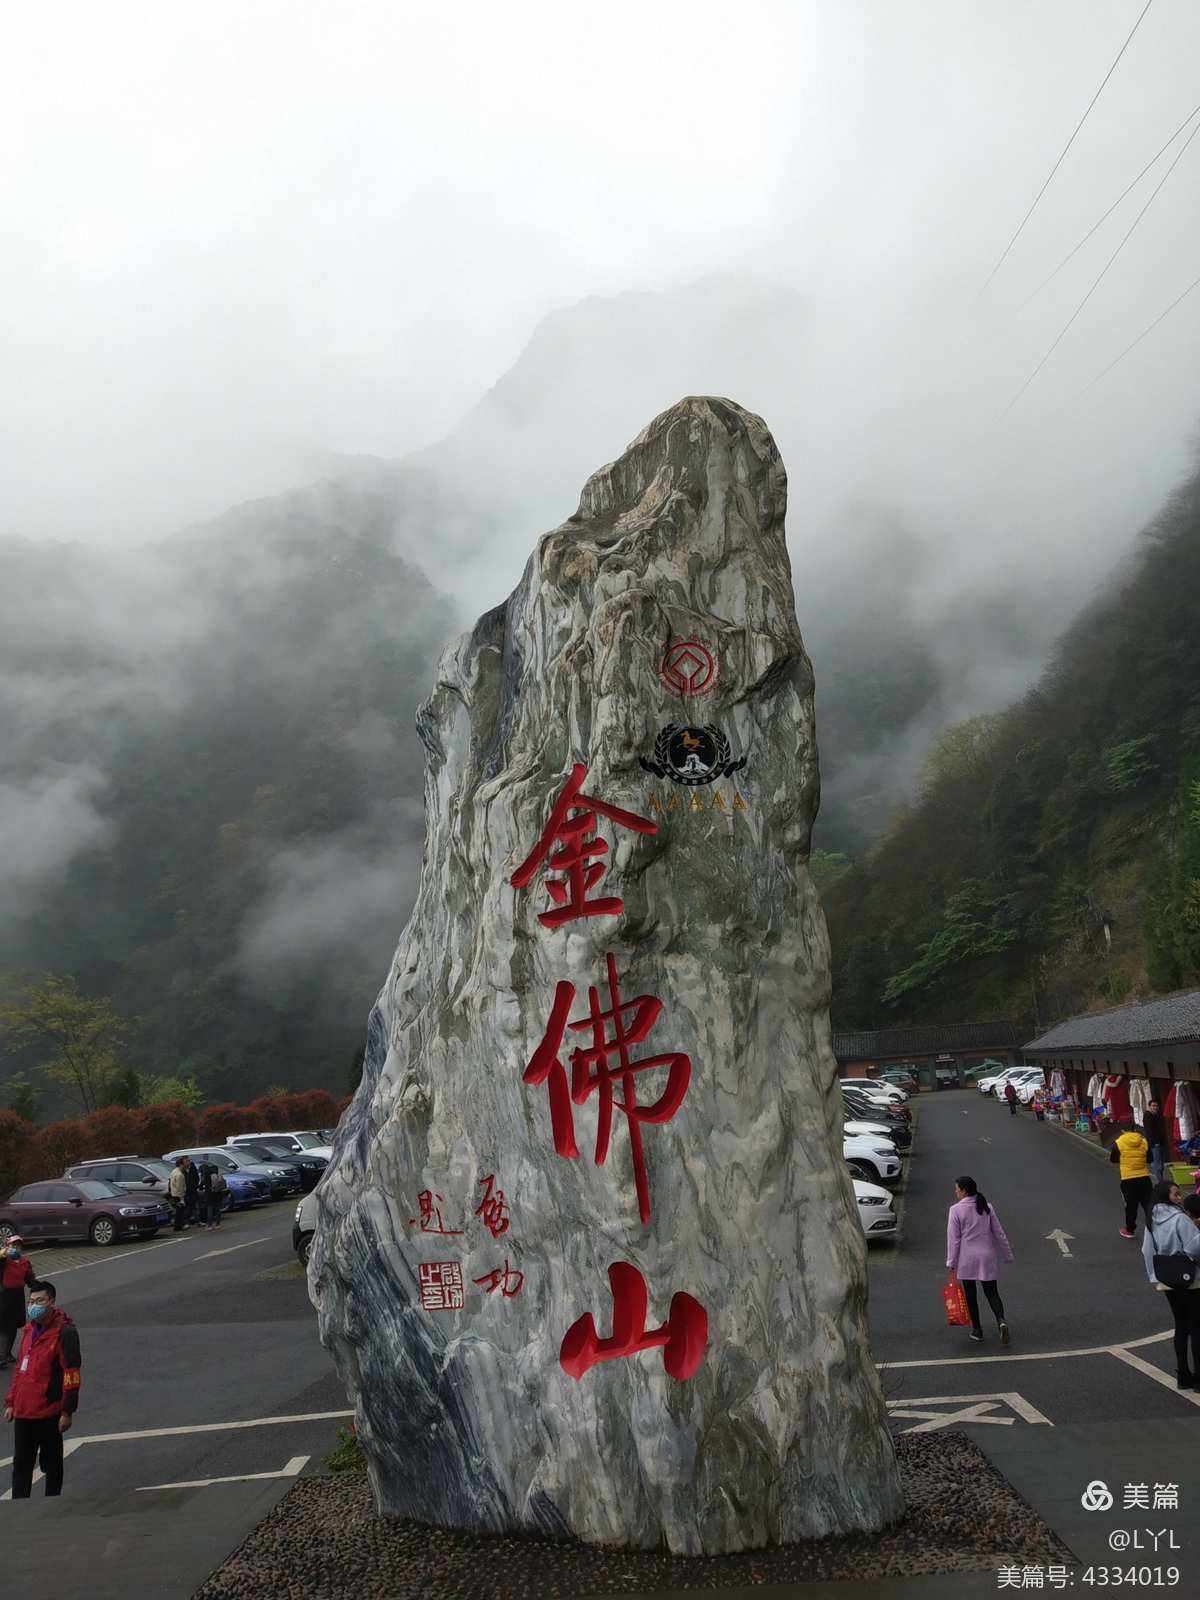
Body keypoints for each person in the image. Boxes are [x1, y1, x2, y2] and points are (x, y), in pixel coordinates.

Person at [4, 1279, 82, 1497]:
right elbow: (20, 1368)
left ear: (52, 1302)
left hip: (49, 1412)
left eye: (39, 1300)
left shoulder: (64, 1333)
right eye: (31, 1301)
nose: (33, 1305)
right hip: (24, 1412)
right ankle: (19, 1508)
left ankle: (51, 1506)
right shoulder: (29, 1331)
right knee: (21, 1466)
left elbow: (71, 1375)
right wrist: (11, 1402)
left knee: (52, 1465)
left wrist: (67, 1411)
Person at [1142, 1185, 1200, 1389]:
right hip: (1191, 1279)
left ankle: (1183, 1374)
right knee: (1197, 1326)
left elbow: (1146, 1250)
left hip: (1167, 1278)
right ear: (1166, 1197)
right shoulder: (1180, 1218)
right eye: (1176, 1194)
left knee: (1181, 1326)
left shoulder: (1152, 1219)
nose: (1179, 1197)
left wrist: (1154, 1276)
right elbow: (1194, 1246)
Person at [947, 1175, 1014, 1344]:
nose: (955, 1192)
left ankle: (977, 1330)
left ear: (963, 1191)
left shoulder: (955, 1210)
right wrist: (1007, 1254)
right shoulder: (986, 1206)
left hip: (967, 1258)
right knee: (992, 1293)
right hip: (987, 1256)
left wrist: (951, 1262)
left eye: (957, 1189)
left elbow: (953, 1239)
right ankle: (1001, 1320)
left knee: (971, 1294)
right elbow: (999, 1233)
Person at [1110, 1120, 1153, 1238]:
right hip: (1144, 1177)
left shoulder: (1118, 1143)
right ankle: (1155, 1227)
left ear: (1123, 1130)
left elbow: (1113, 1159)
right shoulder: (1144, 1141)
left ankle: (1130, 1230)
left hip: (1128, 1178)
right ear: (1134, 1129)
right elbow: (1150, 1159)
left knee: (1130, 1206)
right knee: (1148, 1204)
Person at [1, 1236, 36, 1368]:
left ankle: (7, 1353)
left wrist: (40, 1287)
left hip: (18, 1296)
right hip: (4, 1296)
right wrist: (4, 1253)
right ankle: (1, 1356)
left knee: (14, 1326)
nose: (15, 1248)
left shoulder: (24, 1262)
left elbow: (30, 1279)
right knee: (3, 1327)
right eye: (13, 1245)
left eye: (18, 1245)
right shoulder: (3, 1261)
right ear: (7, 1246)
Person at [1143, 1099, 1168, 1184]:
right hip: (1155, 1144)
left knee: (1160, 1163)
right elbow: (1149, 1131)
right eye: (1153, 1106)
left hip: (1160, 1142)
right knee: (1157, 1164)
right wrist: (1156, 1142)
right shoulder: (1148, 1116)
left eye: (1156, 1106)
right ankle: (1160, 1182)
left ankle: (1161, 1180)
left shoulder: (1157, 1115)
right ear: (1149, 1107)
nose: (1155, 1107)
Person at [197, 1161, 225, 1230]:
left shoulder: (206, 1176)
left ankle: (209, 1225)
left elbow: (201, 1185)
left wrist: (199, 1187)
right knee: (218, 1209)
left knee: (210, 1209)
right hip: (218, 1193)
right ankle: (218, 1224)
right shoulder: (217, 1174)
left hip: (209, 1194)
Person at [169, 1157, 189, 1230]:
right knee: (180, 1211)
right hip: (178, 1195)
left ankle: (178, 1225)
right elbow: (179, 1187)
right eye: (186, 1162)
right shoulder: (179, 1174)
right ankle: (178, 1226)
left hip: (174, 1194)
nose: (188, 1163)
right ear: (181, 1164)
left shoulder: (174, 1171)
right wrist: (182, 1198)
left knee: (178, 1211)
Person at [183, 1154, 200, 1225]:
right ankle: (187, 1221)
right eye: (186, 1161)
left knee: (195, 1206)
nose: (188, 1162)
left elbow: (197, 1178)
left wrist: (195, 1185)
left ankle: (197, 1220)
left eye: (189, 1160)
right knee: (187, 1207)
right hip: (185, 1191)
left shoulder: (193, 1168)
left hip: (193, 1190)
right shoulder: (182, 1170)